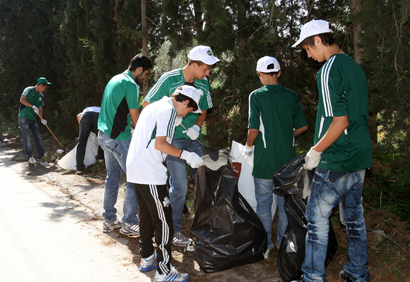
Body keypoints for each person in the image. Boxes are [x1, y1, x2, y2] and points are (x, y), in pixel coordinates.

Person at [292, 19, 373, 282]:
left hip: (336, 158)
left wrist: (315, 151)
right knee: (354, 221)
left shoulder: (328, 71)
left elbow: (340, 121)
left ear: (317, 40)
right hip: (359, 157)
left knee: (316, 222)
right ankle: (358, 273)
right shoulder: (354, 67)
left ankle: (313, 277)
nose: (308, 55)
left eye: (307, 48)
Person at [143, 45, 219, 247]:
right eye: (205, 68)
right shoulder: (169, 79)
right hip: (172, 141)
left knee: (204, 180)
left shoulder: (203, 83)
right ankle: (175, 230)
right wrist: (169, 118)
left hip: (194, 139)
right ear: (194, 65)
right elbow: (147, 104)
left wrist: (196, 126)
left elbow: (203, 111)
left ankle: (205, 225)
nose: (208, 72)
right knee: (179, 187)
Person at [127, 85, 203, 282]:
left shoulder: (154, 106)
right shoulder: (169, 110)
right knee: (164, 220)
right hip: (150, 171)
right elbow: (160, 144)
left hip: (136, 167)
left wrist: (176, 124)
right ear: (186, 102)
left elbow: (151, 133)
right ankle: (164, 270)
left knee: (145, 215)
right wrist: (187, 155)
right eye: (189, 110)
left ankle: (147, 257)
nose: (187, 115)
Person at [244, 56, 308, 259]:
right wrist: (287, 134)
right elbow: (303, 126)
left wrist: (248, 147)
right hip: (288, 164)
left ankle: (265, 246)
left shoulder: (256, 96)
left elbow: (253, 129)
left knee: (263, 204)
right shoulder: (291, 96)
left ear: (259, 74)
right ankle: (283, 244)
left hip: (264, 162)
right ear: (279, 73)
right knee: (284, 206)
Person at [98, 54, 152, 237]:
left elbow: (118, 111)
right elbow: (136, 118)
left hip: (104, 135)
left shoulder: (115, 79)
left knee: (112, 176)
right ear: (139, 70)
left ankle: (109, 220)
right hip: (118, 138)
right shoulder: (130, 85)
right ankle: (129, 221)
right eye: (145, 74)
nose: (145, 78)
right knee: (134, 177)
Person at [18, 77, 51, 165]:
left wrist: (42, 119)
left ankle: (41, 154)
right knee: (27, 138)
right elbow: (22, 100)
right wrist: (32, 106)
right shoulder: (29, 90)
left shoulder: (41, 96)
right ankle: (30, 156)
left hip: (33, 118)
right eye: (45, 88)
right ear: (40, 85)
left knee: (37, 137)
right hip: (23, 117)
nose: (45, 90)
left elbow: (40, 108)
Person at [75, 106, 104, 174]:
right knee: (101, 138)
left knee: (82, 142)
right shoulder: (100, 109)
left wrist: (83, 130)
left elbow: (78, 116)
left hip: (86, 116)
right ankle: (101, 158)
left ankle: (79, 168)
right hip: (98, 116)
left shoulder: (85, 111)